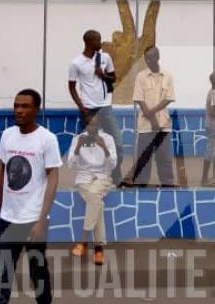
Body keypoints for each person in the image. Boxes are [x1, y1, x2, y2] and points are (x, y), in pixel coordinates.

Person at [0, 89, 61, 304]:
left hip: (32, 221)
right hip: (7, 218)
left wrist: (41, 221)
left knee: (38, 273)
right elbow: (2, 176)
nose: (18, 110)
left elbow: (53, 181)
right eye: (16, 105)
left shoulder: (47, 139)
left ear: (36, 110)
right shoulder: (7, 135)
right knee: (2, 276)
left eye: (25, 106)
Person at [67, 29, 123, 185]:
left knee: (117, 143)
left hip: (106, 107)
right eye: (98, 40)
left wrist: (103, 75)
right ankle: (87, 177)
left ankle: (116, 177)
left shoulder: (105, 57)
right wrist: (81, 107)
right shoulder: (76, 62)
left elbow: (113, 78)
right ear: (89, 42)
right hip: (88, 109)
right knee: (87, 143)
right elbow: (71, 86)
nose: (101, 43)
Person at [67, 113, 116, 265]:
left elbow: (112, 165)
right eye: (90, 125)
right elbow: (70, 165)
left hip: (102, 177)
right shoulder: (78, 139)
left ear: (99, 125)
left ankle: (83, 240)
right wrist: (77, 148)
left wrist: (105, 149)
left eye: (95, 125)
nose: (93, 128)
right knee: (97, 204)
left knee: (94, 195)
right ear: (85, 126)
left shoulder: (108, 139)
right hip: (84, 179)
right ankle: (99, 249)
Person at [126, 46, 176, 188]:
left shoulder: (168, 76)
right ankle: (141, 183)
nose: (148, 60)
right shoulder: (141, 76)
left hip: (163, 124)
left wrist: (152, 112)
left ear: (158, 56)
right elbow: (139, 99)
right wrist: (152, 119)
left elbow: (169, 98)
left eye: (151, 56)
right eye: (146, 57)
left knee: (164, 157)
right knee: (144, 156)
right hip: (145, 125)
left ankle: (167, 183)